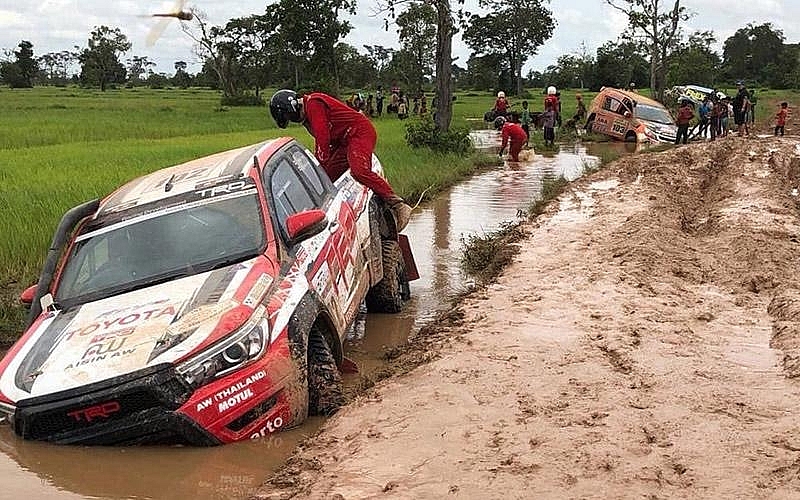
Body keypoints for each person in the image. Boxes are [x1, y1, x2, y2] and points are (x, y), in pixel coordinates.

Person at [269, 89, 412, 230]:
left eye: (288, 116)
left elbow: (323, 139)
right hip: (345, 141)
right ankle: (316, 219)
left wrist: (318, 165)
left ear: (292, 107)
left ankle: (398, 205)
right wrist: (319, 170)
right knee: (324, 178)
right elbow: (325, 143)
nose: (292, 119)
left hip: (359, 132)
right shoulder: (307, 117)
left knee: (359, 171)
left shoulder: (313, 104)